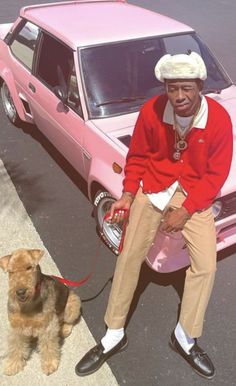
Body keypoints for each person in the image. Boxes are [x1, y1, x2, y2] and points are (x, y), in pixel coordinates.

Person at [75, 52, 233, 379]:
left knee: (205, 265)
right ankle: (113, 334)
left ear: (200, 86)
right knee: (129, 255)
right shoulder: (152, 110)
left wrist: (187, 211)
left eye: (186, 88)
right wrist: (128, 195)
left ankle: (185, 336)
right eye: (172, 88)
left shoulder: (218, 119)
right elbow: (137, 157)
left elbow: (216, 175)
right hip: (153, 186)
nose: (179, 96)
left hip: (193, 194)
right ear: (165, 87)